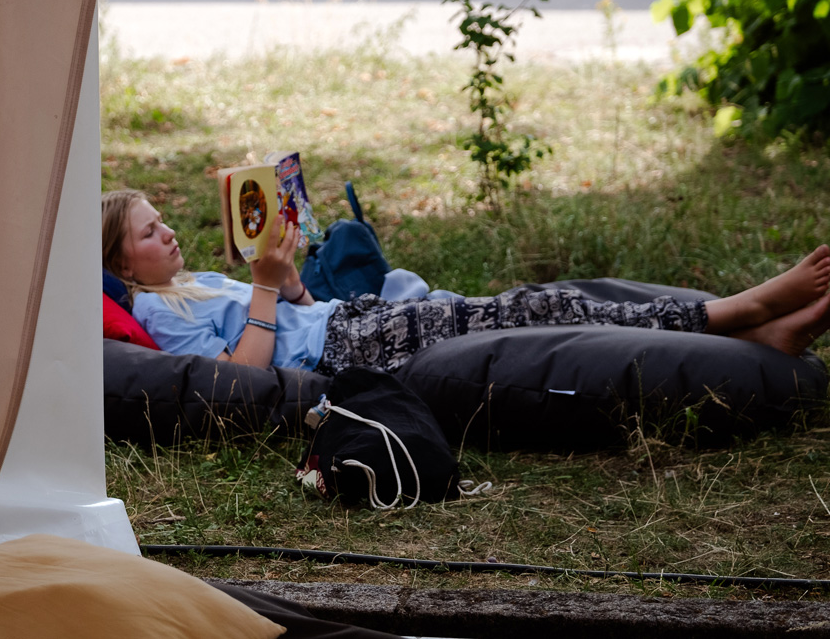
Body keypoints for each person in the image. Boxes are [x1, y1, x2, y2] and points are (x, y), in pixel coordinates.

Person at [101, 189, 830, 375]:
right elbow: (238, 380)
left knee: (539, 307)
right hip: (350, 350)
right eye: (149, 232)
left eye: (163, 221)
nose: (169, 232)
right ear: (122, 264)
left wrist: (288, 284)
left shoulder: (196, 280)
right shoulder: (161, 317)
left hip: (351, 321)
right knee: (542, 310)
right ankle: (746, 310)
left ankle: (752, 328)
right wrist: (264, 291)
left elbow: (299, 315)